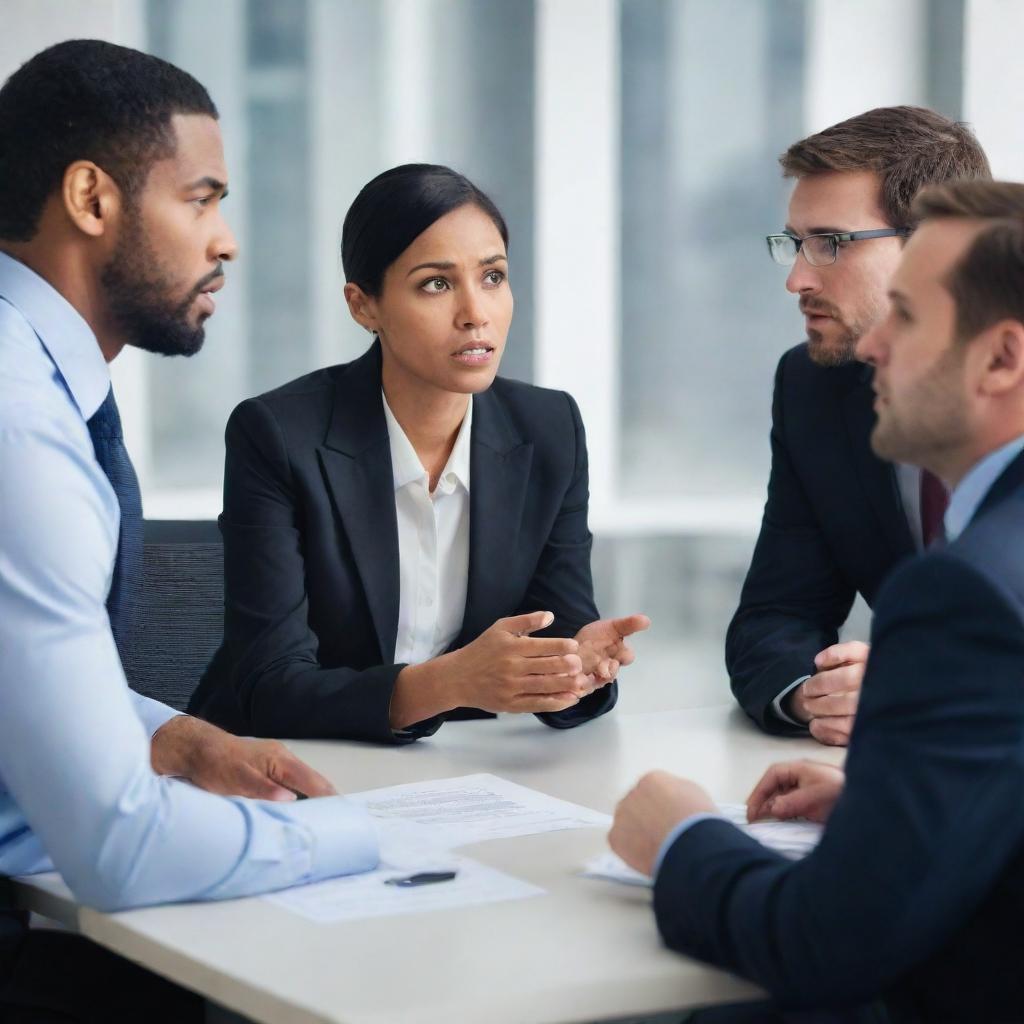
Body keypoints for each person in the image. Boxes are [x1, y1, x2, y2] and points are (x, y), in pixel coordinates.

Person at [0, 40, 378, 1022]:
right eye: (201, 198)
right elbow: (119, 851)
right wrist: (378, 836)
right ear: (92, 200)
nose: (227, 240)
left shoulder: (33, 374)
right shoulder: (19, 423)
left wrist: (170, 735)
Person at [610, 179, 1024, 1021]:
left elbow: (823, 943)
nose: (873, 348)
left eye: (906, 315)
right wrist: (908, 798)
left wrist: (684, 837)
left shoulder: (964, 592)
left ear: (1001, 358)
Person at [188, 163, 648, 743]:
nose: (475, 312)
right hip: (285, 767)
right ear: (364, 306)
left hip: (456, 775)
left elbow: (561, 629)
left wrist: (572, 670)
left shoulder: (549, 428)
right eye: (436, 283)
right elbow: (269, 689)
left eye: (493, 277)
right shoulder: (278, 434)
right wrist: (448, 683)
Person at [727, 106, 991, 745]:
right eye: (794, 243)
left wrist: (924, 684)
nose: (796, 278)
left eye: (830, 243)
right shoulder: (814, 386)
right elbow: (777, 615)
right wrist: (816, 698)